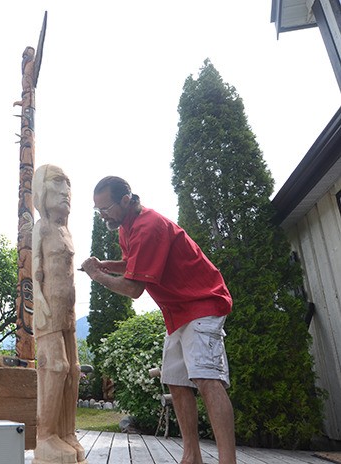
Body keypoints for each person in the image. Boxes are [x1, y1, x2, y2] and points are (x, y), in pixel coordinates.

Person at [80, 176, 236, 464]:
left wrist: (97, 275)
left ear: (126, 199)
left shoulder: (149, 226)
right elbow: (134, 264)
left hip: (203, 302)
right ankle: (192, 457)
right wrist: (106, 264)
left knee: (206, 379)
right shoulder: (126, 227)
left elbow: (133, 288)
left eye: (106, 208)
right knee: (176, 381)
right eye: (97, 210)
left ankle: (228, 461)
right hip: (176, 313)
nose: (103, 215)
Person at [32, 164, 85, 464]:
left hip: (69, 312)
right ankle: (46, 435)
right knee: (55, 366)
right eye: (57, 182)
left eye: (68, 184)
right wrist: (38, 302)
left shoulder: (66, 231)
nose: (65, 191)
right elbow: (34, 268)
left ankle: (67, 432)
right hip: (48, 309)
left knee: (74, 369)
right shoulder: (43, 227)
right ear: (41, 189)